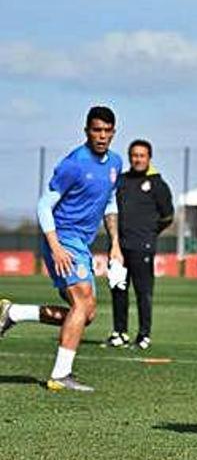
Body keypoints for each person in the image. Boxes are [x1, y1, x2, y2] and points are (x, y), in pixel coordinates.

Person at [0, 106, 124, 392]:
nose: (102, 136)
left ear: (114, 133)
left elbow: (110, 204)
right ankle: (60, 374)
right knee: (82, 304)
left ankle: (14, 313)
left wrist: (114, 243)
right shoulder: (75, 163)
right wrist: (55, 247)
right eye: (96, 130)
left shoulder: (116, 163)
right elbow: (44, 205)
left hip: (82, 242)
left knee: (86, 314)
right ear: (86, 131)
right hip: (63, 238)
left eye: (107, 131)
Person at [104, 139, 174, 350]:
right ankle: (119, 333)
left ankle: (143, 336)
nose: (138, 159)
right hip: (119, 247)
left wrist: (150, 234)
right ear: (130, 157)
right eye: (134, 155)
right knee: (118, 289)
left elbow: (168, 216)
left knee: (143, 292)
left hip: (142, 247)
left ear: (149, 158)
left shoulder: (157, 184)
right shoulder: (122, 181)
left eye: (142, 155)